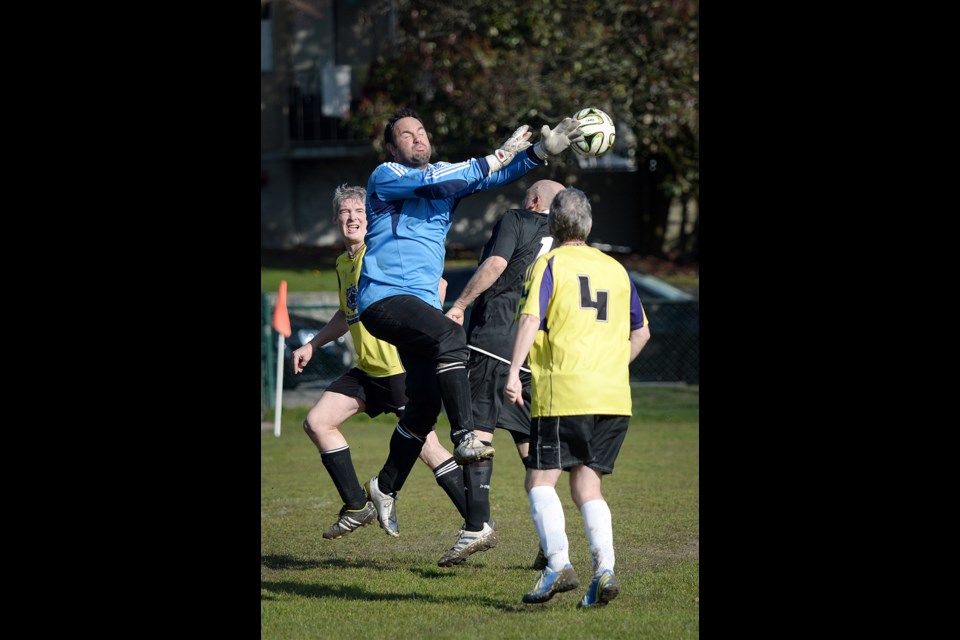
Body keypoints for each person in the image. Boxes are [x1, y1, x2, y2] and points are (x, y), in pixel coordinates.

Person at [357, 107, 583, 567]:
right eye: (407, 134)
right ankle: (465, 436)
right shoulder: (387, 175)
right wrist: (498, 154)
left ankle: (383, 486)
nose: (418, 139)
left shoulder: (446, 174)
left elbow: (481, 178)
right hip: (383, 298)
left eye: (422, 131)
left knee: (422, 406)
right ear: (391, 146)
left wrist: (539, 153)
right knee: (451, 338)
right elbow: (444, 183)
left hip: (418, 308)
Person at [292, 184, 469, 540]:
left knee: (429, 448)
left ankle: (478, 520)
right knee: (316, 422)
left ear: (370, 217)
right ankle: (358, 506)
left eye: (359, 211)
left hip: (399, 369)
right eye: (345, 212)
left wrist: (430, 321)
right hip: (368, 371)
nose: (352, 218)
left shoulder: (381, 253)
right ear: (335, 220)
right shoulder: (344, 263)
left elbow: (437, 282)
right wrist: (312, 344)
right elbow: (347, 313)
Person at [504, 187, 651, 608]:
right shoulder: (616, 270)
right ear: (589, 226)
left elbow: (531, 317)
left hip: (563, 391)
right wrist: (611, 366)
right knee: (588, 485)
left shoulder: (548, 263)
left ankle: (557, 565)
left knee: (540, 479)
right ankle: (604, 569)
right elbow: (641, 331)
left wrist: (513, 372)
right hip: (612, 397)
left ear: (551, 226)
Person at [443, 179, 566, 567]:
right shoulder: (567, 241)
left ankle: (477, 525)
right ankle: (551, 545)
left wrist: (460, 304)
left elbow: (496, 264)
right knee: (532, 444)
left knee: (478, 431)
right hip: (536, 349)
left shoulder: (517, 218)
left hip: (494, 339)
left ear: (533, 201)